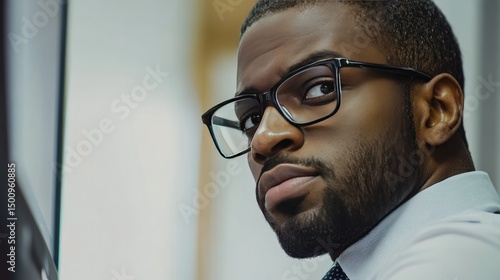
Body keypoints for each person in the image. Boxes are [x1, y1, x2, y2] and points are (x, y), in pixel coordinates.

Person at [201, 0, 500, 279]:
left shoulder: (460, 260)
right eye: (251, 120)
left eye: (318, 89)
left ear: (437, 111)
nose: (262, 140)